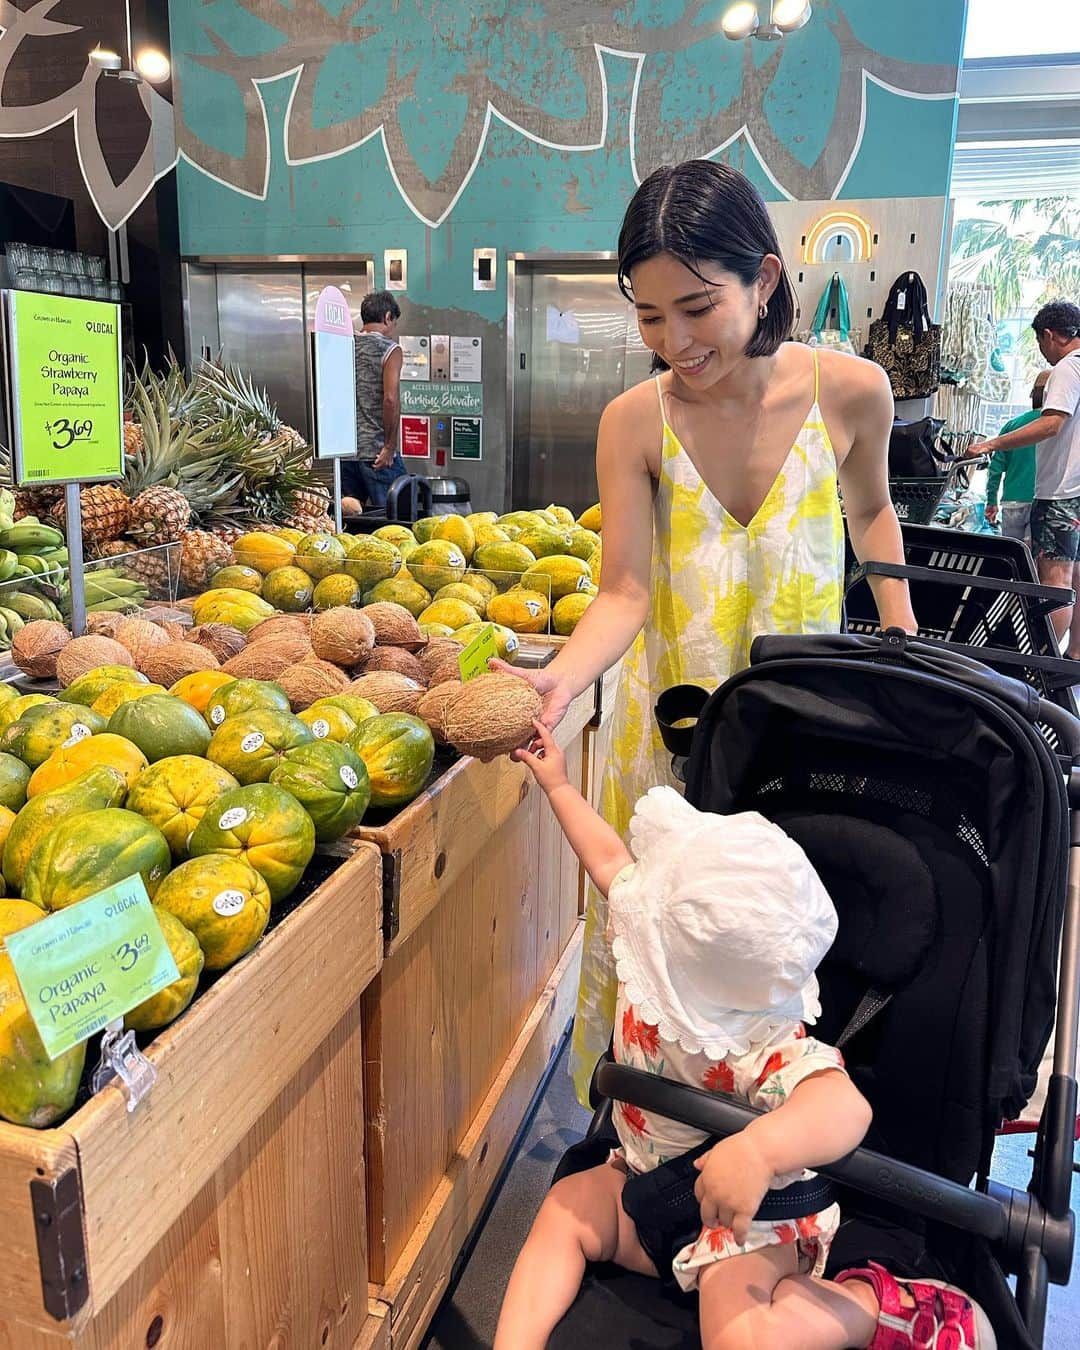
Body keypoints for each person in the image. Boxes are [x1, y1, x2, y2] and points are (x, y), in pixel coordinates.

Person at [495, 160, 916, 1104]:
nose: (675, 341)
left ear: (764, 280)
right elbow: (624, 593)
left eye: (696, 307)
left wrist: (902, 645)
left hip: (803, 733)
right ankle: (650, 1145)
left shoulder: (850, 393)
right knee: (662, 945)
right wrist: (559, 680)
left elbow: (875, 514)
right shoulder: (632, 422)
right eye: (649, 317)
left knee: (775, 948)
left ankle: (779, 1144)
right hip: (671, 747)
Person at [493, 722, 995, 1350]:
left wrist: (761, 1152)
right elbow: (609, 859)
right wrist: (559, 783)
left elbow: (844, 1106)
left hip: (750, 1226)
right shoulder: (665, 941)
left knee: (739, 1335)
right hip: (644, 1184)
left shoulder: (764, 1041)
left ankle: (882, 1307)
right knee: (567, 1209)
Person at [968, 301, 1080, 653]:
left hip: (1061, 493)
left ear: (1049, 335)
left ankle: (1041, 667)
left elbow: (1051, 423)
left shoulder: (1066, 369)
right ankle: (1074, 657)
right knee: (1077, 578)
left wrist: (991, 444)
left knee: (1054, 582)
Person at [345, 290, 406, 509]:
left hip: (345, 452)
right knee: (398, 521)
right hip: (377, 454)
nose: (393, 329)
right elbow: (390, 399)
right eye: (394, 322)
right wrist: (389, 447)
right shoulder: (390, 350)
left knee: (350, 521)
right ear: (388, 317)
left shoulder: (343, 345)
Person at [984, 370, 1050, 546]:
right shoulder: (1060, 429)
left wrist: (991, 501)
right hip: (1044, 502)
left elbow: (995, 469)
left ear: (1032, 396)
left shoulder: (1013, 426)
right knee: (1035, 560)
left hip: (1013, 502)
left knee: (1012, 554)